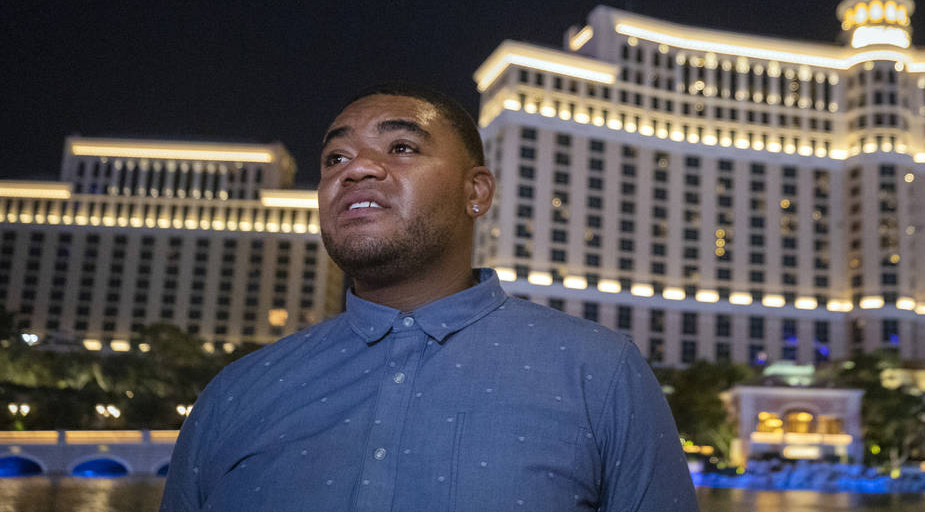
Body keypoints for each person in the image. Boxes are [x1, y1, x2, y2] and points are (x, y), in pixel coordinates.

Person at [161, 83, 700, 511]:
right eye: (334, 159)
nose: (357, 169)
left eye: (401, 147)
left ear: (476, 192)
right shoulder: (235, 391)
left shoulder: (599, 372)